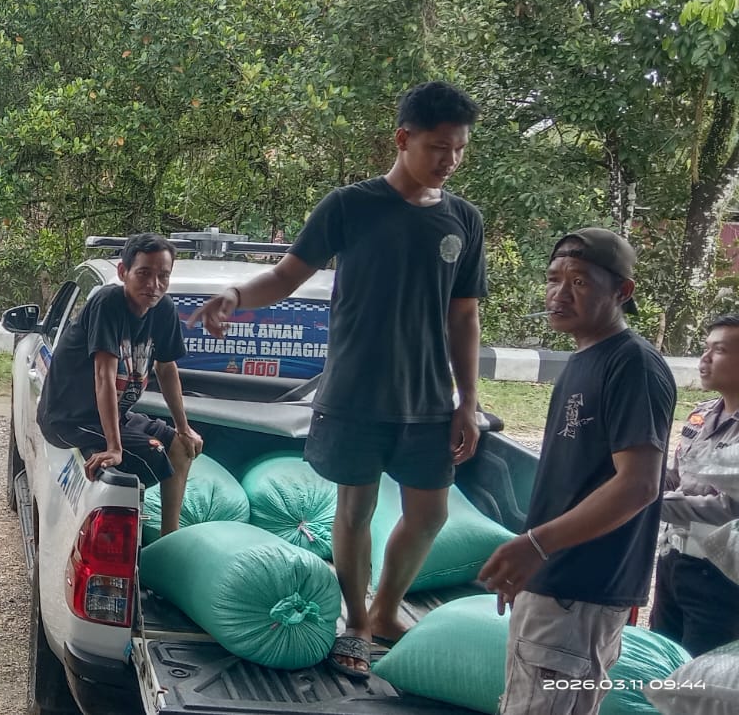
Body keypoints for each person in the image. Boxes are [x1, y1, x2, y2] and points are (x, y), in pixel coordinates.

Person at [187, 80, 486, 678]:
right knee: (353, 510)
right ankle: (355, 618)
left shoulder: (463, 220)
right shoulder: (350, 206)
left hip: (428, 399)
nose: (448, 161)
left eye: (457, 150)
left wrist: (468, 399)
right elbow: (284, 277)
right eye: (436, 147)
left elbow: (464, 315)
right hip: (355, 394)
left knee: (430, 515)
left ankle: (387, 607)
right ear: (402, 139)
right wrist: (234, 295)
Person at [478, 228, 674, 715]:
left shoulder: (633, 366)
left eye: (581, 282)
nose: (559, 294)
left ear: (622, 292)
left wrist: (538, 544)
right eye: (552, 279)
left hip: (579, 592)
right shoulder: (584, 358)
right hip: (553, 582)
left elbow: (638, 485)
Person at [36, 233, 205, 536]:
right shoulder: (109, 302)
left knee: (180, 447)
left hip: (115, 416)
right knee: (152, 455)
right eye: (144, 273)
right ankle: (130, 547)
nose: (154, 285)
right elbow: (104, 375)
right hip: (70, 417)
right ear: (123, 272)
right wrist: (114, 447)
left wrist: (183, 427)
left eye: (162, 276)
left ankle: (169, 539)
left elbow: (166, 369)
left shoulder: (163, 309)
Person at [651, 314, 739, 656]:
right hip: (675, 561)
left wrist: (648, 500)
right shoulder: (702, 414)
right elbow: (676, 475)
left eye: (719, 351)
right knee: (663, 662)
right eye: (705, 348)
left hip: (721, 575)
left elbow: (729, 507)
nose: (704, 359)